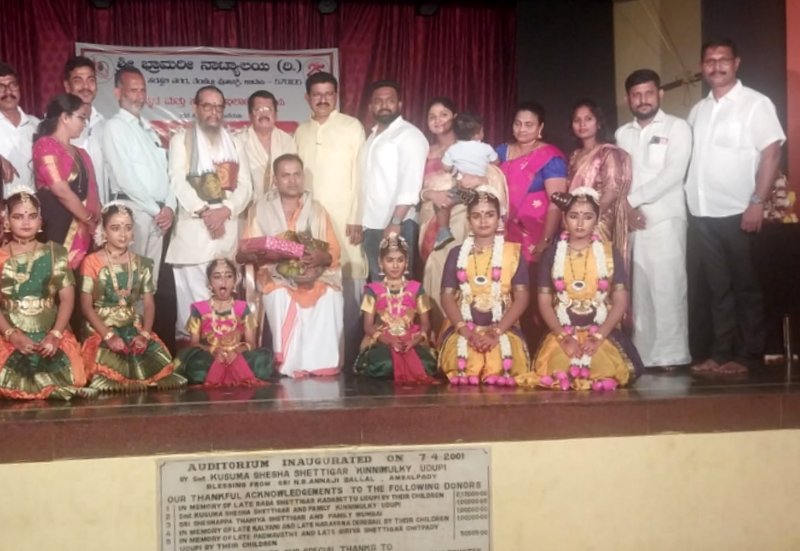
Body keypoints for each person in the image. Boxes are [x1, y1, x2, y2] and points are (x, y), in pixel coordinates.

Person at [685, 38, 785, 375]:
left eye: (723, 59)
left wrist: (757, 202)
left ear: (736, 63)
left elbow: (772, 152)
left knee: (746, 286)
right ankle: (720, 352)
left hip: (739, 211)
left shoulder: (756, 104)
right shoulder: (698, 110)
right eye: (709, 60)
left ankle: (747, 355)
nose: (716, 66)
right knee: (717, 288)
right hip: (702, 212)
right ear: (702, 66)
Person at [518, 188, 644, 390]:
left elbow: (620, 301)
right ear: (564, 219)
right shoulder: (552, 255)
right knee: (561, 368)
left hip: (602, 333)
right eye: (574, 216)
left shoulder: (609, 253)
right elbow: (545, 303)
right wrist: (563, 337)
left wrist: (598, 337)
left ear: (596, 220)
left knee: (602, 369)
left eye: (587, 217)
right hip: (563, 333)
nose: (579, 223)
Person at [238, 154, 342, 378]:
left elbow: (333, 251)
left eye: (297, 174)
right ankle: (291, 363)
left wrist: (320, 258)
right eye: (286, 175)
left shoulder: (317, 210)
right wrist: (256, 253)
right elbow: (245, 249)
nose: (292, 180)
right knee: (280, 295)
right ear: (275, 179)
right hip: (276, 274)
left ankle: (322, 364)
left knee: (331, 295)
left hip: (315, 273)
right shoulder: (260, 209)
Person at [615, 69, 692, 370]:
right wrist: (627, 210)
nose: (643, 100)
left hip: (666, 219)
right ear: (627, 99)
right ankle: (643, 356)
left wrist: (631, 201)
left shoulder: (678, 128)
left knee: (668, 287)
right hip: (633, 222)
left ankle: (672, 355)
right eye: (637, 95)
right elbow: (622, 178)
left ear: (660, 94)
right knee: (640, 290)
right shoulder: (623, 133)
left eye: (649, 93)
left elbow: (673, 174)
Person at [165, 85, 252, 343]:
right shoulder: (181, 139)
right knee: (190, 311)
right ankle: (193, 363)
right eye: (207, 106)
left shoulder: (235, 142)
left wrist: (225, 210)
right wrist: (205, 212)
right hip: (193, 234)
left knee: (225, 303)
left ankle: (227, 361)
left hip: (225, 233)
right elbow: (177, 181)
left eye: (218, 107)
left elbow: (246, 185)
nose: (213, 112)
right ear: (195, 107)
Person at [294, 72, 366, 364]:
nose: (323, 99)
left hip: (346, 219)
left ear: (337, 96)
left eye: (328, 94)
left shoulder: (352, 127)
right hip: (312, 223)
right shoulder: (301, 131)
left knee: (350, 282)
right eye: (317, 94)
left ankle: (349, 356)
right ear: (307, 98)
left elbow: (362, 175)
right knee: (315, 283)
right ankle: (319, 356)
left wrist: (357, 216)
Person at [418, 98, 509, 327]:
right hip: (432, 217)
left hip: (468, 215)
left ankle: (474, 323)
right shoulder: (424, 153)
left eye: (444, 114)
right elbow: (414, 190)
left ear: (455, 117)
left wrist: (480, 179)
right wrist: (431, 195)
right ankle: (440, 329)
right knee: (434, 265)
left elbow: (496, 177)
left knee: (468, 266)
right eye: (432, 116)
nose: (438, 120)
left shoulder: (473, 147)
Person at [80, 203, 186, 391]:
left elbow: (149, 305)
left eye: (128, 228)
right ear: (104, 231)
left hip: (132, 326)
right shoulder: (92, 261)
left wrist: (144, 334)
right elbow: (87, 307)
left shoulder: (142, 263)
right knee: (107, 371)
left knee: (159, 368)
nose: (123, 234)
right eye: (115, 228)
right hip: (101, 328)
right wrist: (109, 336)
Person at [0, 192, 89, 400]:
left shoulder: (55, 253)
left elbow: (67, 299)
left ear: (40, 221)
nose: (26, 222)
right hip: (9, 330)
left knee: (73, 376)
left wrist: (55, 335)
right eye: (18, 216)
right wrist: (12, 335)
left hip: (50, 331)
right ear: (6, 221)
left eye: (32, 216)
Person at [439, 189, 530, 385]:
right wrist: (465, 331)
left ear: (499, 218)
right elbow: (447, 296)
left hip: (503, 328)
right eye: (476, 216)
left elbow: (522, 298)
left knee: (499, 361)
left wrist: (496, 332)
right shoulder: (456, 254)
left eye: (489, 214)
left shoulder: (513, 254)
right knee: (465, 361)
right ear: (468, 220)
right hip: (464, 327)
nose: (483, 221)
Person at [103, 66, 174, 286]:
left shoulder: (148, 129)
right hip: (133, 211)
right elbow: (125, 177)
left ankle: (146, 322)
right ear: (118, 93)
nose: (139, 96)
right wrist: (157, 211)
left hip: (157, 215)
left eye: (143, 90)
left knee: (148, 284)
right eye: (133, 90)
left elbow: (168, 173)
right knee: (128, 282)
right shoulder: (114, 127)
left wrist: (169, 208)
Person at [360, 80, 428, 281]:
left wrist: (395, 222)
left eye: (390, 101)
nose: (384, 105)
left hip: (397, 224)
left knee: (398, 288)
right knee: (378, 285)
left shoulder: (409, 135)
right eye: (378, 101)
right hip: (371, 224)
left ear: (399, 104)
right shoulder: (372, 137)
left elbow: (411, 182)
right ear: (371, 106)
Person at [353, 233, 437, 383]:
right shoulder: (373, 290)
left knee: (427, 365)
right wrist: (389, 341)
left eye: (400, 260)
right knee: (384, 364)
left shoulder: (416, 288)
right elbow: (368, 326)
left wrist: (415, 340)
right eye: (390, 260)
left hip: (411, 339)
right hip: (384, 339)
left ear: (406, 262)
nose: (395, 265)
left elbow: (426, 323)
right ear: (380, 262)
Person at [176, 258, 273, 386]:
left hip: (237, 355)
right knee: (194, 364)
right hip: (212, 356)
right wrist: (214, 351)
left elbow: (251, 343)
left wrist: (236, 352)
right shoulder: (199, 308)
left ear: (234, 282)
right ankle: (226, 373)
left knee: (263, 359)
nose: (224, 281)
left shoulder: (242, 307)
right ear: (210, 283)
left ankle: (229, 371)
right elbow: (194, 343)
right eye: (217, 277)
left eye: (228, 276)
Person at [32, 93, 101, 270]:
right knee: (58, 280)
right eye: (81, 117)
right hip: (57, 225)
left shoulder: (82, 153)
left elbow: (94, 193)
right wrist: (87, 219)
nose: (84, 124)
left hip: (86, 230)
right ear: (64, 117)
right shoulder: (46, 145)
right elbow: (60, 190)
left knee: (83, 284)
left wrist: (97, 224)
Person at [496, 102, 567, 262]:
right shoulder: (501, 152)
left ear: (540, 127)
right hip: (503, 230)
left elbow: (556, 202)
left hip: (537, 231)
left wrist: (546, 240)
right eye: (517, 123)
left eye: (529, 125)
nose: (522, 129)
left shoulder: (550, 157)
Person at [568, 99, 633, 265]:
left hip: (599, 220)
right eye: (577, 120)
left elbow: (611, 190)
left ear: (598, 123)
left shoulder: (608, 152)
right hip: (575, 221)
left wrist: (590, 217)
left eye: (588, 119)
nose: (582, 124)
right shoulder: (575, 155)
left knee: (599, 269)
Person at [435, 112, 499, 250]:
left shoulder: (453, 149)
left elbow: (445, 166)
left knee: (443, 203)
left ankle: (444, 231)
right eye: (482, 130)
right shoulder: (486, 148)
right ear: (477, 134)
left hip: (461, 190)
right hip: (481, 191)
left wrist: (454, 171)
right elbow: (497, 163)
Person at [235, 90, 296, 209]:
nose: (264, 114)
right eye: (258, 110)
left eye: (268, 109)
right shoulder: (238, 142)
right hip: (246, 211)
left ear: (276, 114)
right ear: (250, 115)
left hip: (280, 211)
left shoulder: (287, 141)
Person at [63, 56, 108, 205]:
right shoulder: (56, 124)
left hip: (101, 213)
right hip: (68, 216)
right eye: (78, 81)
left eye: (90, 80)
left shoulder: (104, 124)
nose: (85, 87)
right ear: (67, 86)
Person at [0, 62, 40, 199]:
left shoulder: (36, 124)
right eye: (1, 87)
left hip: (33, 208)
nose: (8, 92)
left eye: (13, 85)